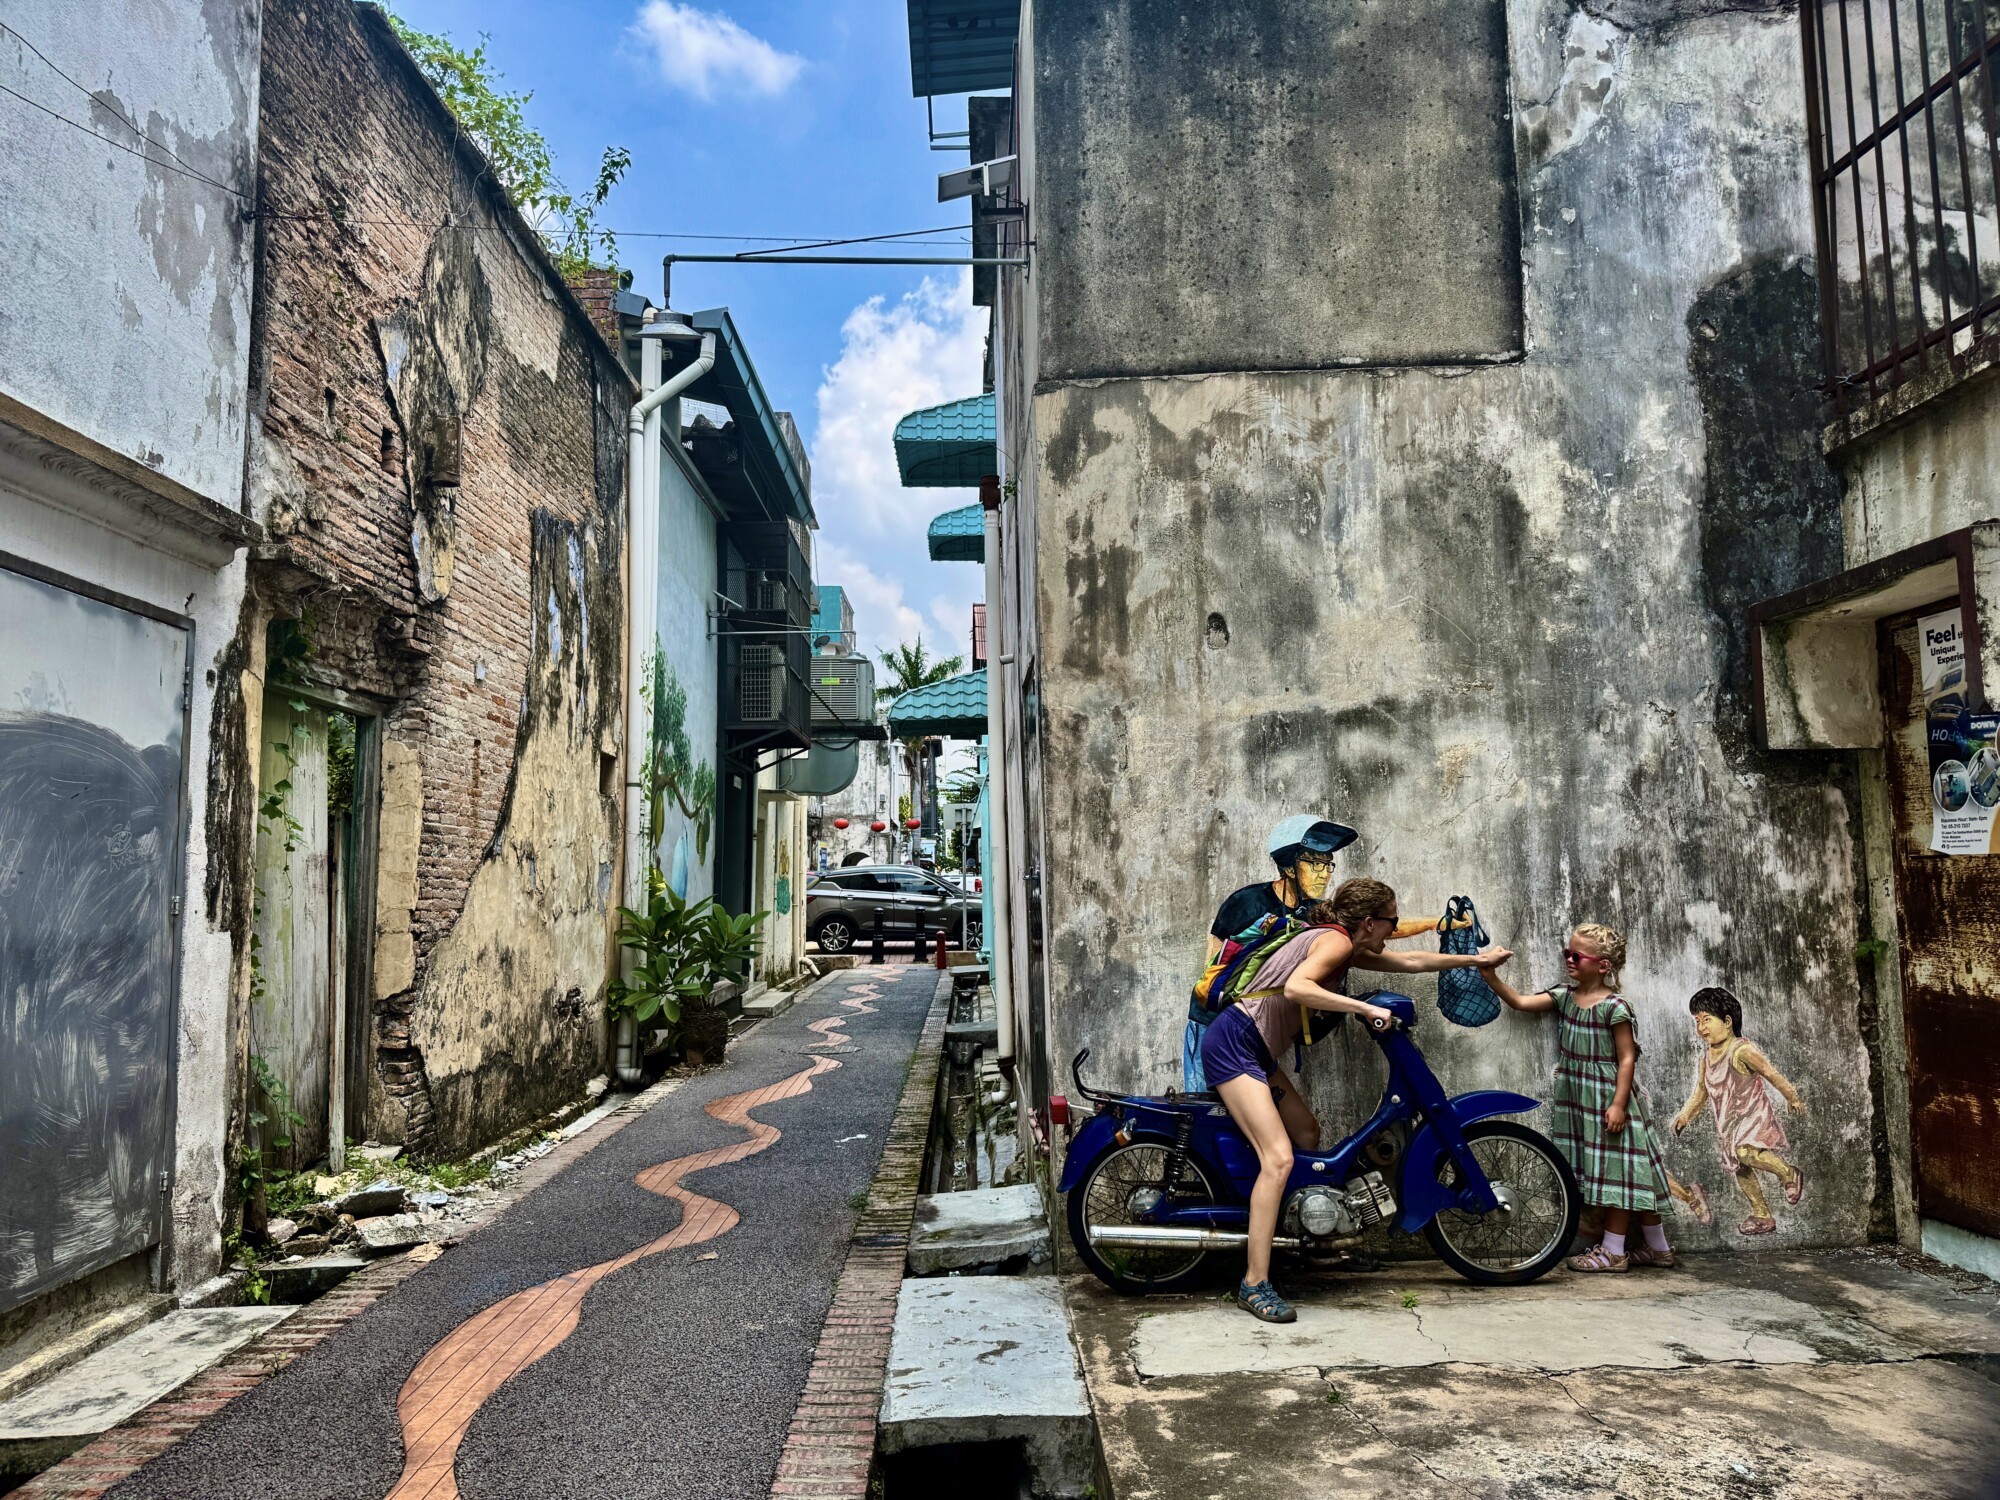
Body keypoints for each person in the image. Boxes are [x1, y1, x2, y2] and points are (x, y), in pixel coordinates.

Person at [1200, 878, 1512, 1323]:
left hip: (1254, 1048)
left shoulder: (1346, 945)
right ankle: (1254, 1282)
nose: (1394, 928)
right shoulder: (1333, 943)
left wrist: (1477, 959)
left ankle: (1310, 1240)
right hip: (1235, 1044)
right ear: (1369, 922)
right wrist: (1363, 1009)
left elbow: (1411, 960)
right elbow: (1297, 989)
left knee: (1306, 1131)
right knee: (1278, 1159)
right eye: (1392, 920)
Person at [1186, 815, 1458, 1090]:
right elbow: (1213, 967)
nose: (1325, 872)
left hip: (1258, 1030)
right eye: (1315, 863)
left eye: (1328, 864)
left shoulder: (1316, 912)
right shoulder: (1247, 902)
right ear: (1289, 867)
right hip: (1217, 1023)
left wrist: (1437, 923)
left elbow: (1377, 925)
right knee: (1207, 1115)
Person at [1478, 922, 1674, 1272]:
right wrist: (1490, 977)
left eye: (1577, 955)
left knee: (1620, 1176)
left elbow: (1626, 1056)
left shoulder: (1615, 1007)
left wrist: (1618, 1104)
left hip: (1611, 1099)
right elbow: (1522, 1002)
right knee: (1629, 1174)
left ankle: (1614, 1252)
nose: (1569, 959)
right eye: (1566, 953)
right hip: (1580, 1098)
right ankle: (1658, 1248)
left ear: (1603, 966)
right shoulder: (1565, 997)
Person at [1672, 986, 1807, 1236]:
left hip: (1752, 1114)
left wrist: (1792, 1097)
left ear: (1726, 1021)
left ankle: (1788, 1173)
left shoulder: (1742, 1050)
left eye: (1706, 1020)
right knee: (1740, 1167)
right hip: (1728, 1121)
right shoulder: (1706, 1057)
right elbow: (1702, 1091)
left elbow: (1771, 1074)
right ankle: (1762, 1215)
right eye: (1697, 1021)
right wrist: (1685, 1115)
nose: (1701, 1027)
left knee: (1745, 1152)